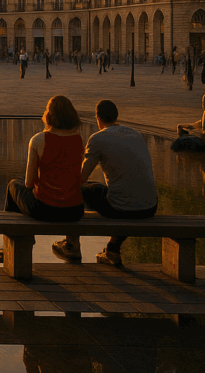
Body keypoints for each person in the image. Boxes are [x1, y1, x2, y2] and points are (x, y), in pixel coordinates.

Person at [53, 100, 159, 266]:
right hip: (150, 205)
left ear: (97, 118)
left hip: (121, 207)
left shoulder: (98, 138)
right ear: (116, 117)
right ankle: (112, 249)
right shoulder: (136, 135)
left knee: (76, 189)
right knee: (123, 192)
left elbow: (81, 178)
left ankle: (71, 244)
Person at [0, 95, 86, 263]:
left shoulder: (39, 139)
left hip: (45, 208)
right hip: (74, 210)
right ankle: (73, 245)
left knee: (13, 185)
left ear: (49, 116)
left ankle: (14, 243)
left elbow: (29, 183)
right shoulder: (78, 139)